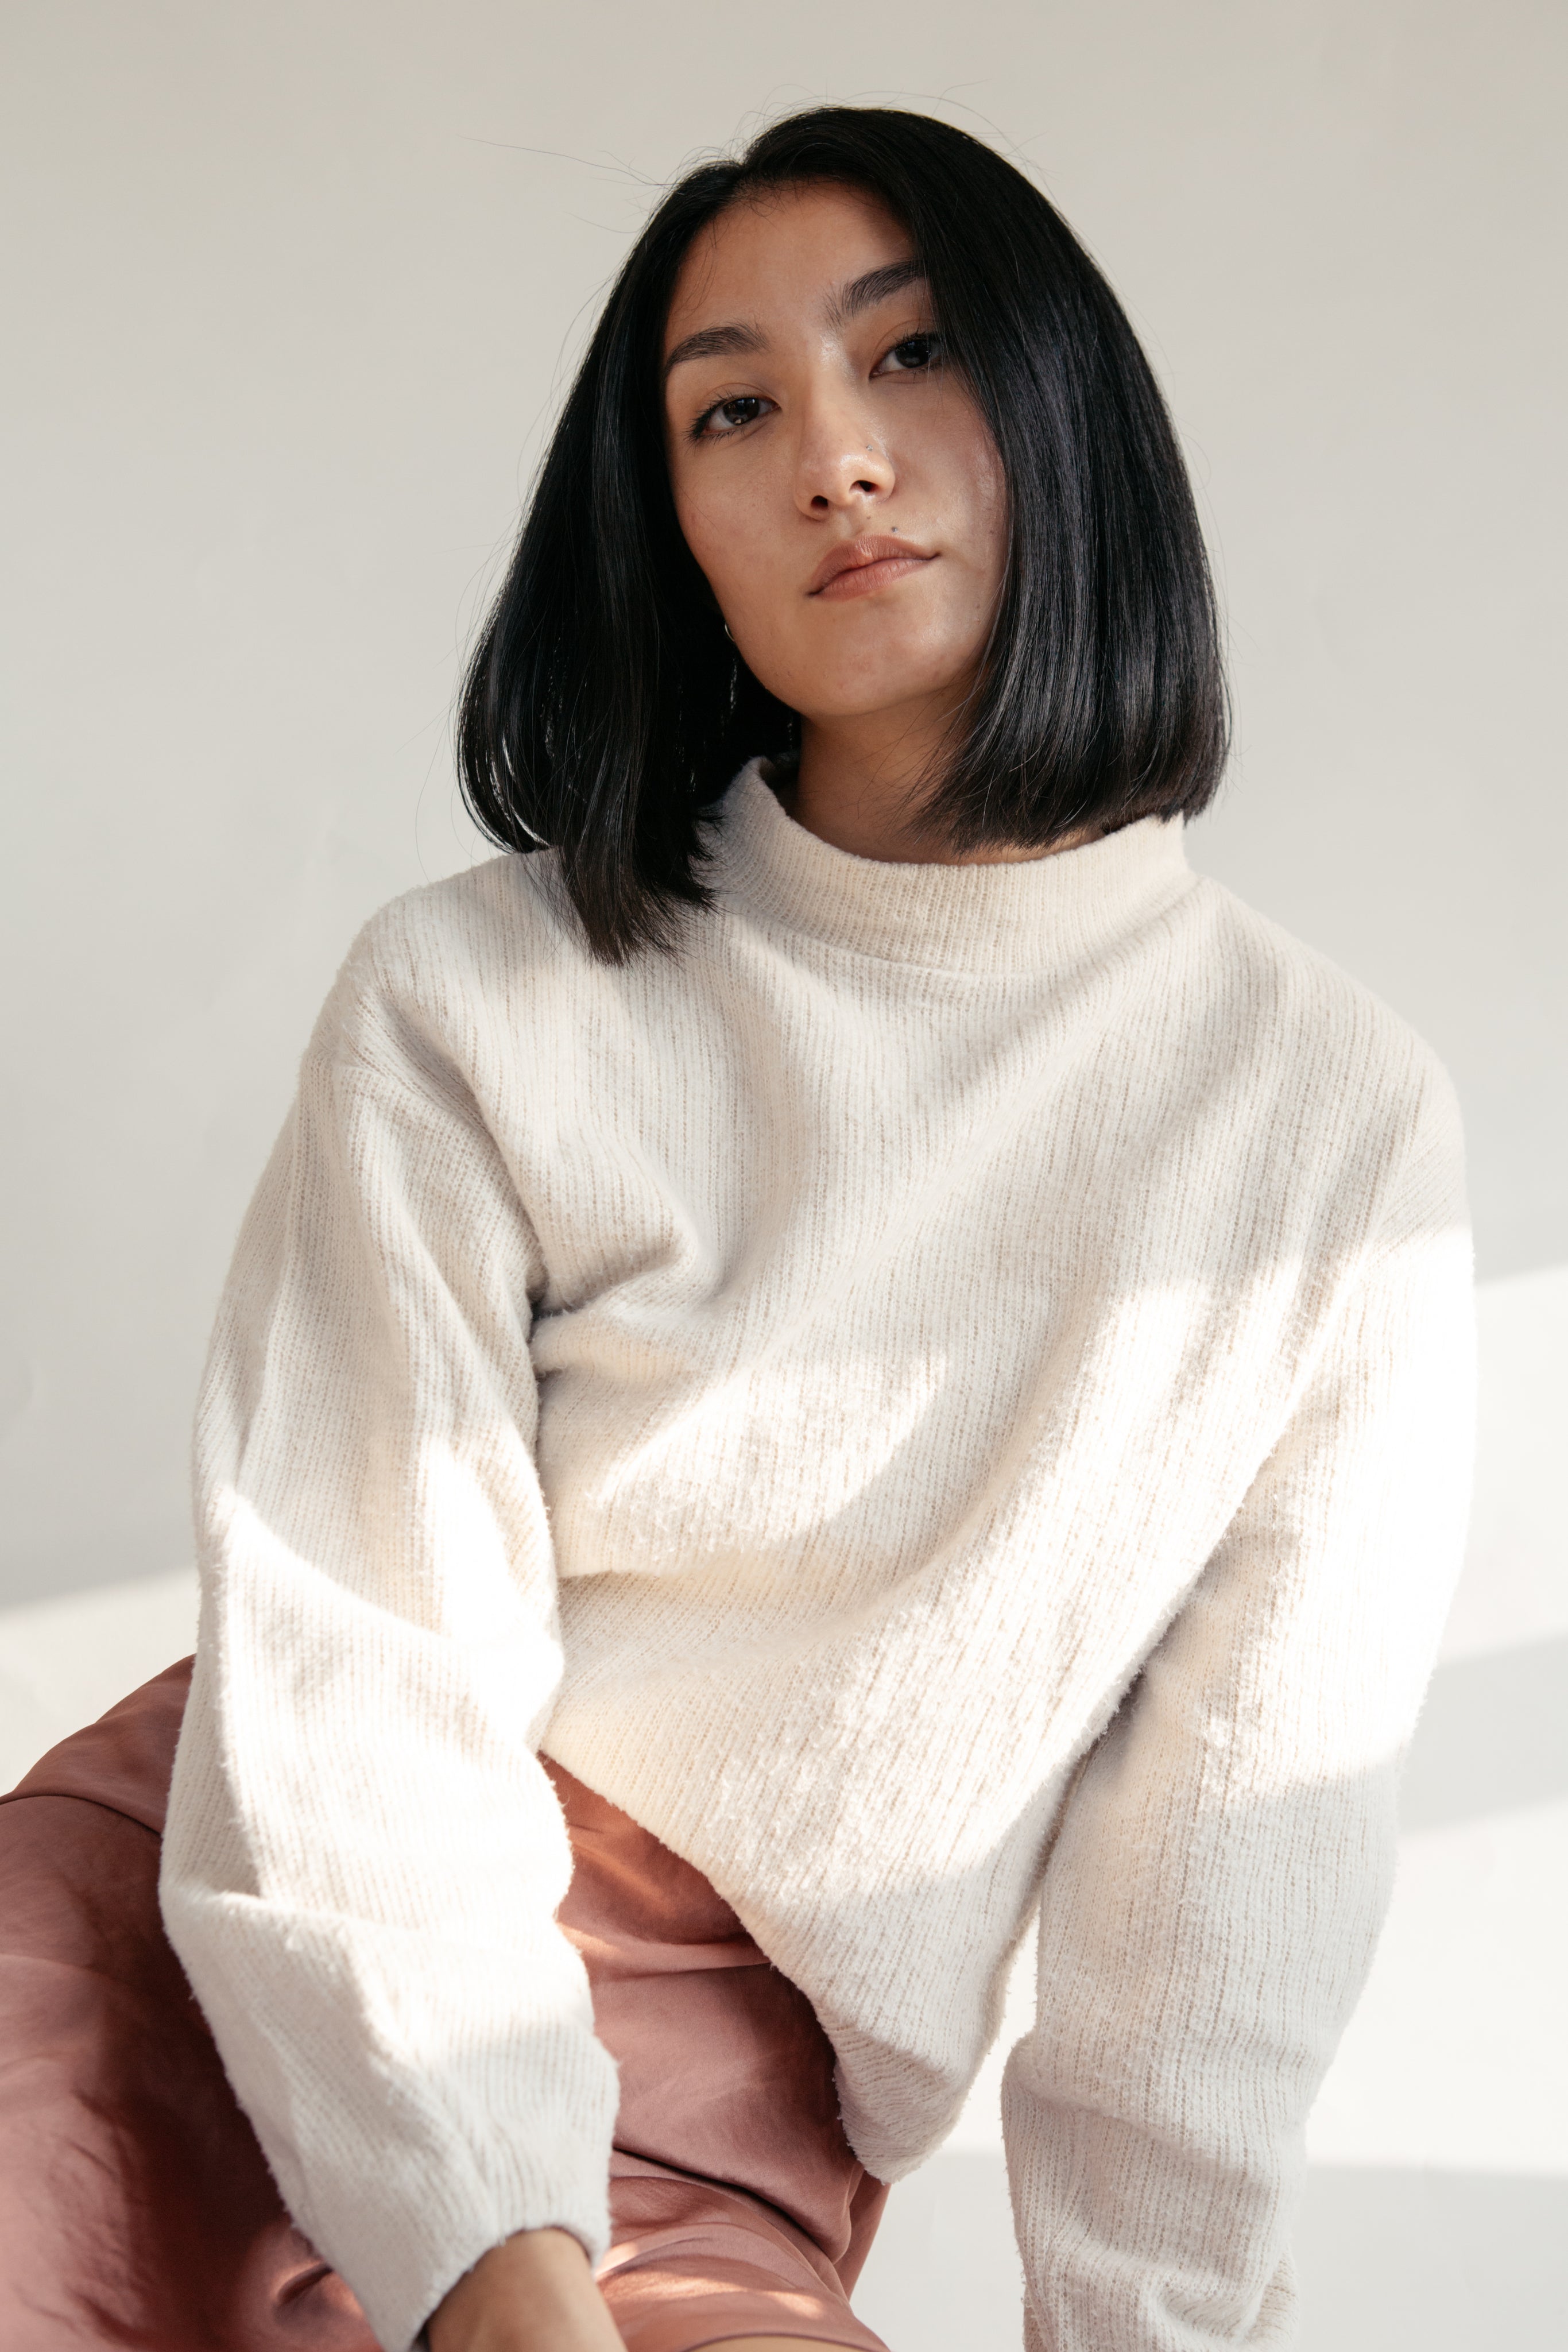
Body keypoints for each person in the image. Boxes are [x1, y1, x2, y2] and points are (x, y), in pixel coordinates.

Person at [0, 106, 1473, 2352]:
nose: (834, 460)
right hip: (233, 1938)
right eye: (730, 410)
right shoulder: (477, 998)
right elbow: (356, 1645)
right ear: (669, 526)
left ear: (1066, 411)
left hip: (716, 2145)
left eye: (910, 355)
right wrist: (490, 2250)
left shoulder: (1324, 1127)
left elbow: (1230, 1884)